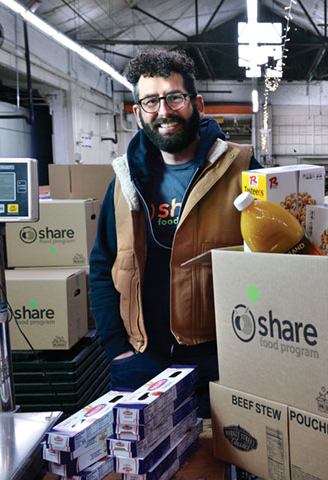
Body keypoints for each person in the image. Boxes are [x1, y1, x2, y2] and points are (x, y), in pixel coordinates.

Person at [89, 49, 261, 417]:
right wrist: (115, 347)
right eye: (150, 101)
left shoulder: (243, 169)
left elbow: (274, 264)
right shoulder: (124, 183)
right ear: (138, 113)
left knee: (221, 467)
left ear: (196, 103)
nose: (163, 111)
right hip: (138, 360)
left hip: (220, 360)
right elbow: (103, 266)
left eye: (174, 97)